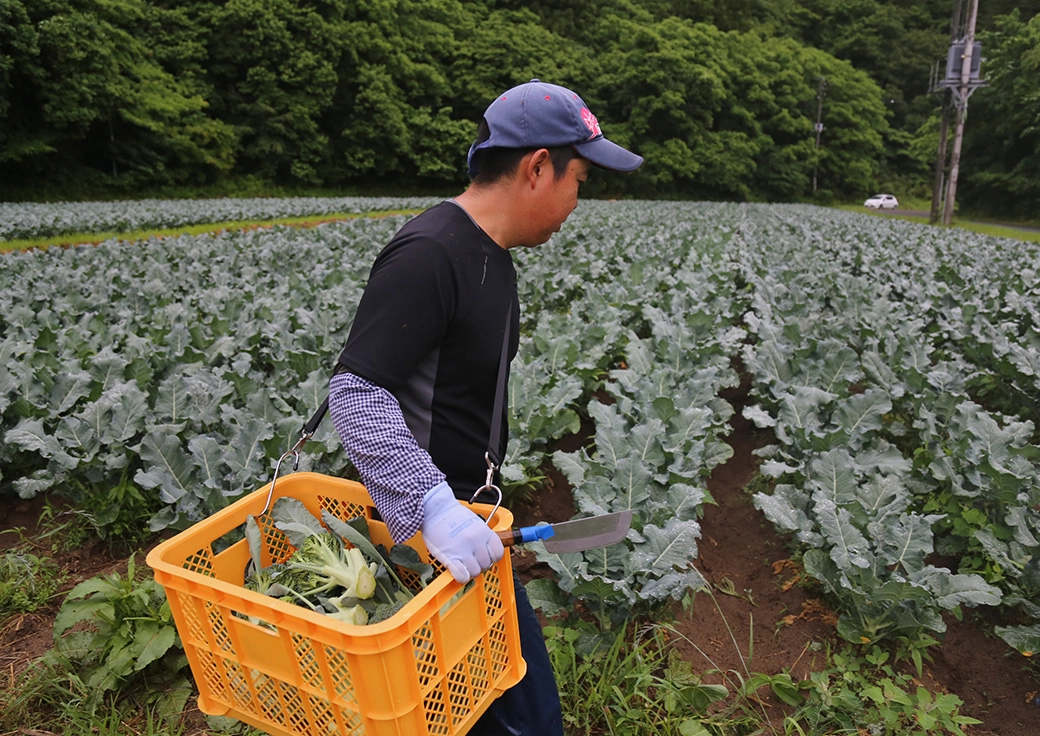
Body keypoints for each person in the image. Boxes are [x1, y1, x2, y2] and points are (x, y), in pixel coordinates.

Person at [328, 79, 642, 735]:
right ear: (537, 168)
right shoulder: (431, 255)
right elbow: (356, 394)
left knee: (512, 709)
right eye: (578, 179)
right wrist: (432, 508)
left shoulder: (489, 254)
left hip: (466, 531)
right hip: (424, 546)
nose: (577, 202)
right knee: (505, 716)